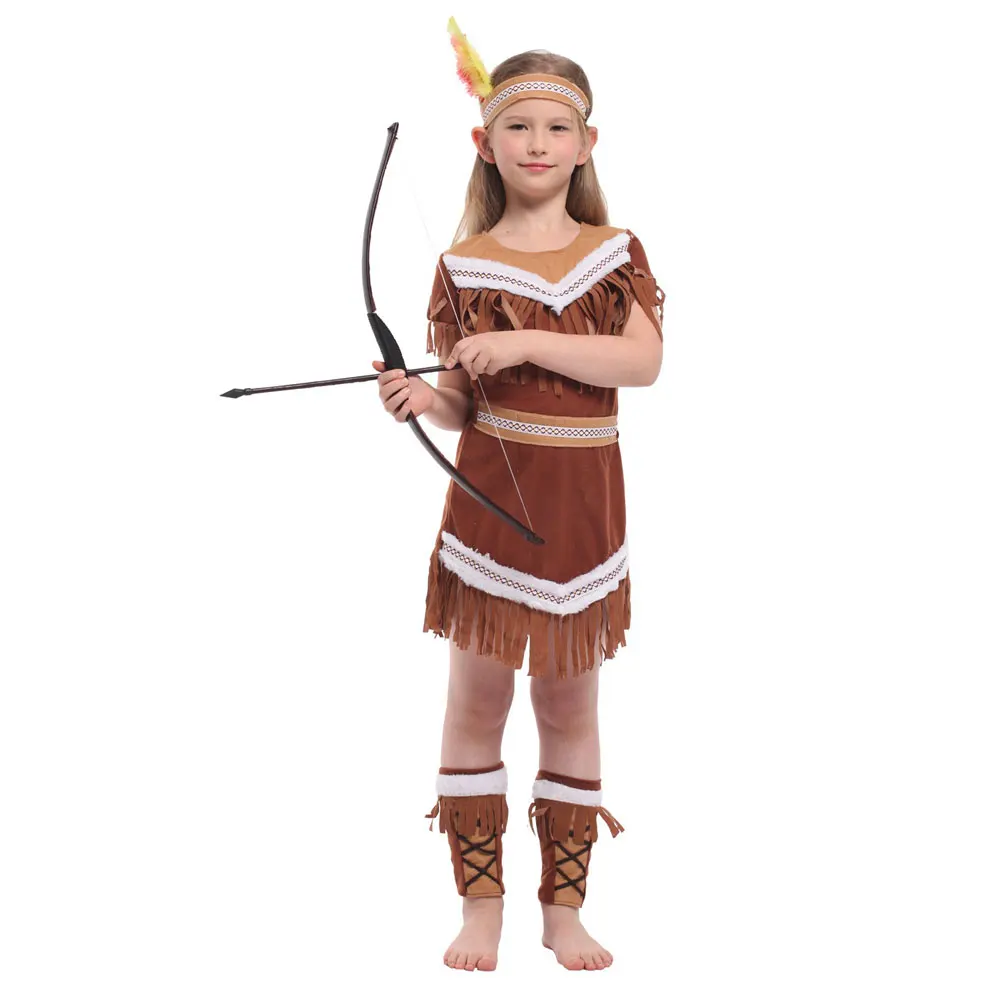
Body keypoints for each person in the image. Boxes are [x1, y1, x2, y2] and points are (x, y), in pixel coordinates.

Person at [372, 19, 664, 973]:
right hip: (491, 517)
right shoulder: (462, 266)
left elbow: (642, 363)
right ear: (485, 142)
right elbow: (464, 401)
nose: (537, 143)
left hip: (583, 519)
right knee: (475, 703)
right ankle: (481, 908)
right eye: (518, 126)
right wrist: (424, 398)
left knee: (570, 709)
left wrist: (526, 341)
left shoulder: (615, 252)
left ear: (586, 144)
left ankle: (563, 912)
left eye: (556, 127)